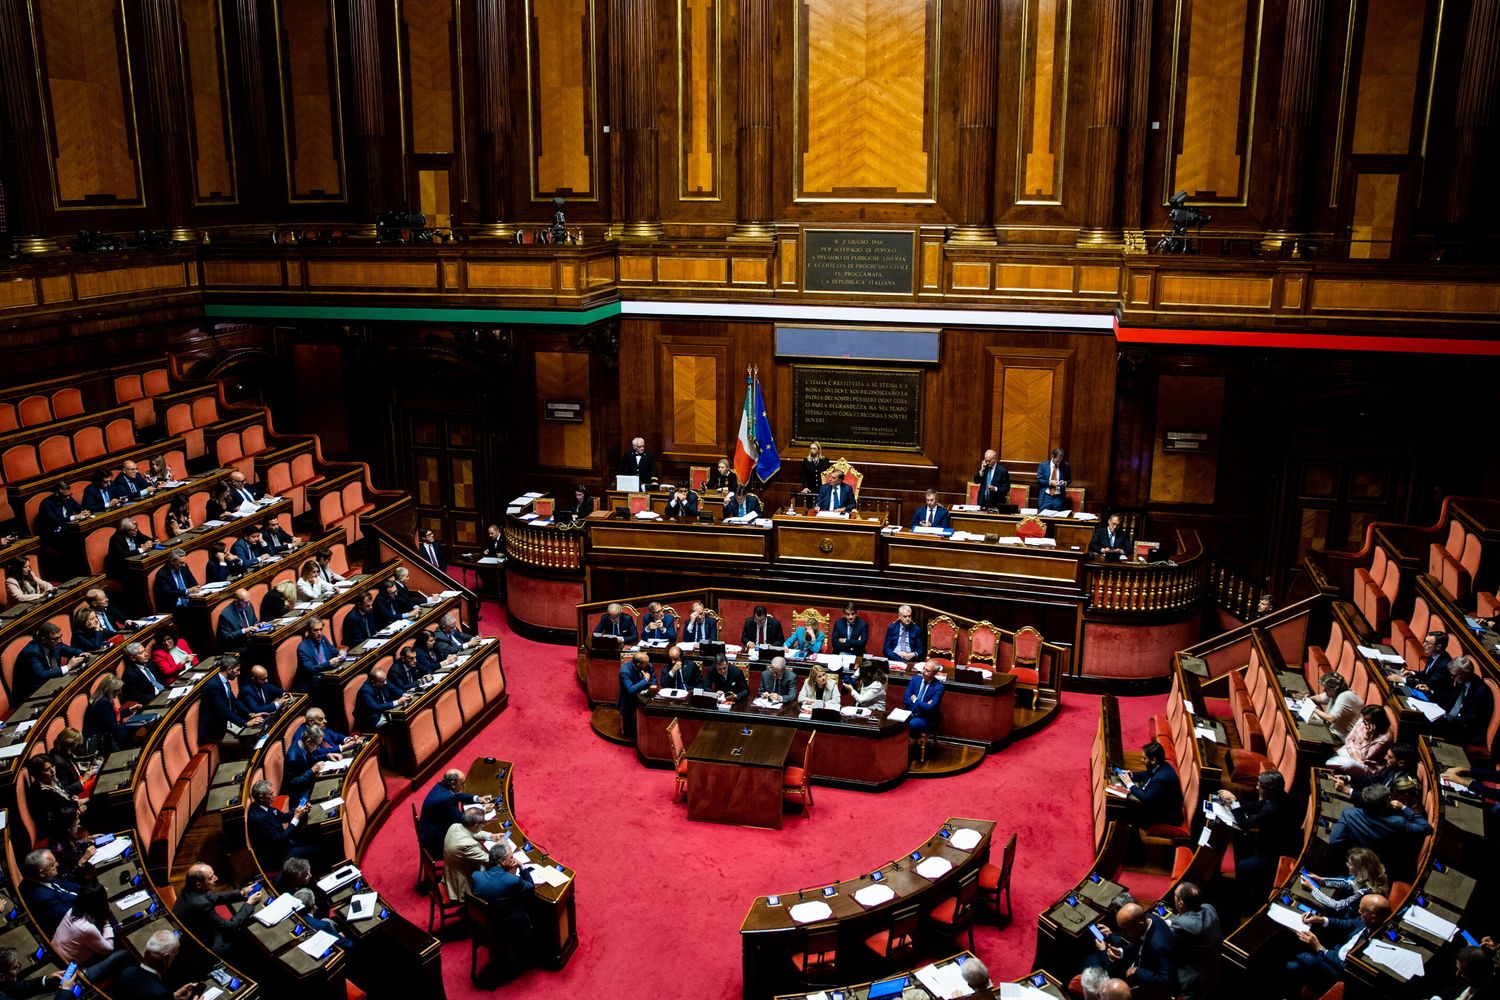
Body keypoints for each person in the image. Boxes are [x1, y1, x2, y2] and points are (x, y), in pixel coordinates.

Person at [1281, 893, 1390, 996]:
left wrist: (1318, 947)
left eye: (1362, 912)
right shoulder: (1368, 920)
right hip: (1336, 952)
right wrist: (1320, 919)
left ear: (1373, 917)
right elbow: (1348, 923)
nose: (1358, 912)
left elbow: (1347, 967)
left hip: (1341, 971)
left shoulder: (1375, 946)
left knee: (1296, 962)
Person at [1216, 771, 1299, 899]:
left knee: (1242, 866)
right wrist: (1234, 800)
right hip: (1268, 842)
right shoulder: (1279, 796)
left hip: (1275, 853)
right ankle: (1242, 883)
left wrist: (1233, 804)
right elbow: (1254, 807)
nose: (1257, 788)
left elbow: (1246, 824)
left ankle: (1246, 895)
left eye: (1260, 786)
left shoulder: (1273, 808)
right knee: (1238, 838)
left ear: (1270, 790)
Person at [1326, 783, 1432, 882]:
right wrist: (1403, 807)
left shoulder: (1349, 814)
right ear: (1387, 802)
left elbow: (1334, 841)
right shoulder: (1397, 822)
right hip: (1386, 872)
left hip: (1358, 866)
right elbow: (1426, 828)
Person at [173, 863, 263, 956]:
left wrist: (242, 893)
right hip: (205, 944)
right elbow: (229, 926)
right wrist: (249, 904)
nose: (216, 878)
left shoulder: (189, 888)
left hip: (195, 929)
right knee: (247, 939)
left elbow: (213, 897)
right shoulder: (201, 905)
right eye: (211, 878)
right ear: (198, 885)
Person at [49, 883, 126, 975]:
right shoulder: (87, 928)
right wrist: (106, 924)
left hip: (56, 955)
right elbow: (108, 949)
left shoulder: (72, 911)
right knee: (124, 951)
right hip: (73, 969)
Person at [1164, 882, 1220, 1000]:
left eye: (1175, 895)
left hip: (1193, 976)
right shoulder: (1209, 908)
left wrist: (1168, 920)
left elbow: (1168, 939)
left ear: (1180, 903)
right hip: (1214, 966)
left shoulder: (1181, 924)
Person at [417, 769, 491, 859]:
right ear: (453, 784)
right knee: (469, 836)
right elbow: (463, 820)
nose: (464, 785)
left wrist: (477, 799)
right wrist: (483, 810)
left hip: (430, 829)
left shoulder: (442, 786)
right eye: (462, 783)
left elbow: (457, 795)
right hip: (435, 841)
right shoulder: (445, 800)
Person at [1299, 848, 1388, 920]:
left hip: (1351, 919)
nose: (1347, 865)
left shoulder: (1365, 892)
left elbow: (1338, 906)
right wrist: (1322, 880)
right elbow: (1347, 883)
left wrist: (1313, 889)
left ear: (1360, 869)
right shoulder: (1369, 875)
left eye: (1350, 864)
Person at [470, 841, 535, 938]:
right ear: (503, 862)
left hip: (485, 920)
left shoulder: (475, 876)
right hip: (506, 926)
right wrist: (521, 866)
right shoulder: (513, 880)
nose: (514, 859)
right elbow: (530, 887)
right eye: (511, 857)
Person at [247, 779, 316, 869]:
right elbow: (280, 838)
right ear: (261, 797)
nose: (274, 795)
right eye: (271, 794)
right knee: (316, 848)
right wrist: (296, 817)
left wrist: (300, 811)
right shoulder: (259, 819)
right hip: (278, 856)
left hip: (284, 844)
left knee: (312, 834)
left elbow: (282, 816)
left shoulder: (262, 804)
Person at [117, 928, 199, 1000]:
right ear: (166, 958)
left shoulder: (127, 972)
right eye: (175, 955)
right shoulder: (159, 993)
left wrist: (174, 997)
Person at [13, 623, 85, 702]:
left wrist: (81, 654)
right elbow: (41, 674)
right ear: (44, 640)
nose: (59, 641)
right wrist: (68, 667)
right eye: (56, 638)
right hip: (32, 694)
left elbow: (70, 650)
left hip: (51, 684)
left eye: (60, 637)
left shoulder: (55, 644)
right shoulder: (32, 652)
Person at [201, 656, 265, 743]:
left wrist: (250, 714)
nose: (239, 673)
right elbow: (223, 711)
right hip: (215, 731)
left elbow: (234, 701)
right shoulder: (214, 686)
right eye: (237, 670)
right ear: (229, 669)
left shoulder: (224, 681)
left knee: (256, 732)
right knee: (248, 741)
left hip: (227, 723)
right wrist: (245, 724)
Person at [1434, 656, 1494, 746]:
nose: (1452, 678)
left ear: (1465, 673)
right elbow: (1449, 698)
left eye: (1454, 675)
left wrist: (1447, 718)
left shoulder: (1481, 692)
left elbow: (1471, 720)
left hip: (1467, 732)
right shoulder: (1462, 682)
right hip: (1455, 723)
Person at [1123, 741, 1182, 830]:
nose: (1142, 760)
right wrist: (1131, 775)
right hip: (1160, 804)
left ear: (1153, 760)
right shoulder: (1160, 764)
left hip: (1167, 814)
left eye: (1144, 758)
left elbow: (1146, 798)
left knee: (1129, 810)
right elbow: (1147, 773)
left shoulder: (1161, 779)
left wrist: (1130, 784)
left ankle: (1131, 838)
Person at [19, 849, 79, 936]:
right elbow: (70, 915)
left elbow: (66, 885)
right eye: (53, 865)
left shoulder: (40, 876)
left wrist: (88, 890)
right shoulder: (42, 897)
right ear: (42, 872)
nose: (57, 864)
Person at [23, 757, 83, 845]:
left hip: (68, 817)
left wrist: (71, 798)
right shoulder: (42, 792)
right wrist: (81, 804)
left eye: (53, 766)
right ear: (37, 774)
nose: (52, 771)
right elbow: (64, 810)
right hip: (58, 830)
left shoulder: (50, 780)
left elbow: (64, 796)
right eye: (47, 769)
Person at [443, 806, 496, 900]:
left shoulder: (454, 826)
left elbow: (472, 832)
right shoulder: (468, 845)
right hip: (463, 881)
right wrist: (502, 847)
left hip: (452, 870)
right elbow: (490, 861)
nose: (484, 824)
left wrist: (491, 836)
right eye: (483, 822)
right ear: (475, 826)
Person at [1327, 704, 1393, 775]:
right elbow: (1349, 739)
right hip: (1352, 753)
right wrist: (1355, 756)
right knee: (1331, 761)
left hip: (1367, 765)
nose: (1363, 722)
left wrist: (1367, 738)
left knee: (1345, 763)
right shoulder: (1362, 720)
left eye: (1367, 720)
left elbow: (1364, 757)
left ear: (1377, 722)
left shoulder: (1385, 738)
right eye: (1363, 718)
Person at [1333, 741, 1418, 796]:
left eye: (1389, 757)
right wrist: (1347, 778)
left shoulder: (1403, 783)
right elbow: (1369, 780)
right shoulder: (1391, 769)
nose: (1385, 758)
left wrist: (1346, 790)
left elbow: (1376, 800)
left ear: (1401, 763)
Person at [1392, 632, 1454, 704]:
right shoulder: (1434, 654)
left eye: (1427, 643)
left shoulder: (1444, 665)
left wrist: (1402, 680)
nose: (1424, 644)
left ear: (1438, 647)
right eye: (1425, 641)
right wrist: (1412, 673)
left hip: (1433, 700)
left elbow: (1427, 684)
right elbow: (1425, 674)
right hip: (1425, 692)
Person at [1304, 672, 1362, 741]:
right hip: (1333, 731)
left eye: (1326, 688)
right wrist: (1310, 698)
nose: (1324, 690)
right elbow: (1321, 698)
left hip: (1343, 738)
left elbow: (1331, 719)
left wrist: (1312, 707)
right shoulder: (1337, 692)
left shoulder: (1345, 697)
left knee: (1308, 734)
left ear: (1333, 689)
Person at [83, 676, 132, 753]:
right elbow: (113, 728)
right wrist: (131, 723)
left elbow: (112, 717)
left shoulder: (102, 700)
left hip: (106, 735)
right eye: (117, 691)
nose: (119, 693)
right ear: (109, 690)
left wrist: (130, 710)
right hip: (101, 742)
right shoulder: (102, 704)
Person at [294, 618, 342, 690]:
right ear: (309, 632)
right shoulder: (303, 648)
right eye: (315, 630)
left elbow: (332, 651)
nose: (319, 633)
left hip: (327, 675)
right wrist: (329, 663)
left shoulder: (323, 638)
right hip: (312, 682)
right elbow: (310, 669)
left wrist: (340, 652)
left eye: (320, 629)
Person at [618, 652, 655, 737]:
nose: (648, 665)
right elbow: (630, 690)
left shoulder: (647, 664)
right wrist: (645, 680)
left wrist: (653, 684)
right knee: (631, 731)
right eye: (646, 663)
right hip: (629, 699)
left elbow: (652, 676)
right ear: (638, 664)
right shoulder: (624, 671)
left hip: (645, 695)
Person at [902, 660, 944, 735]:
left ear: (934, 673)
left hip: (926, 718)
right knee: (894, 722)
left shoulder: (939, 687)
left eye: (927, 671)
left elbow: (930, 708)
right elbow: (905, 699)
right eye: (924, 669)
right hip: (910, 713)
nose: (923, 672)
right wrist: (924, 704)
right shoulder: (915, 679)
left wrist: (915, 700)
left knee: (910, 724)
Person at [217, 588, 261, 653]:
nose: (248, 604)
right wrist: (244, 630)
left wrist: (257, 624)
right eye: (245, 602)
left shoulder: (248, 605)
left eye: (248, 601)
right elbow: (227, 637)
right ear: (236, 601)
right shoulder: (226, 615)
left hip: (252, 641)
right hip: (237, 646)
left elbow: (254, 620)